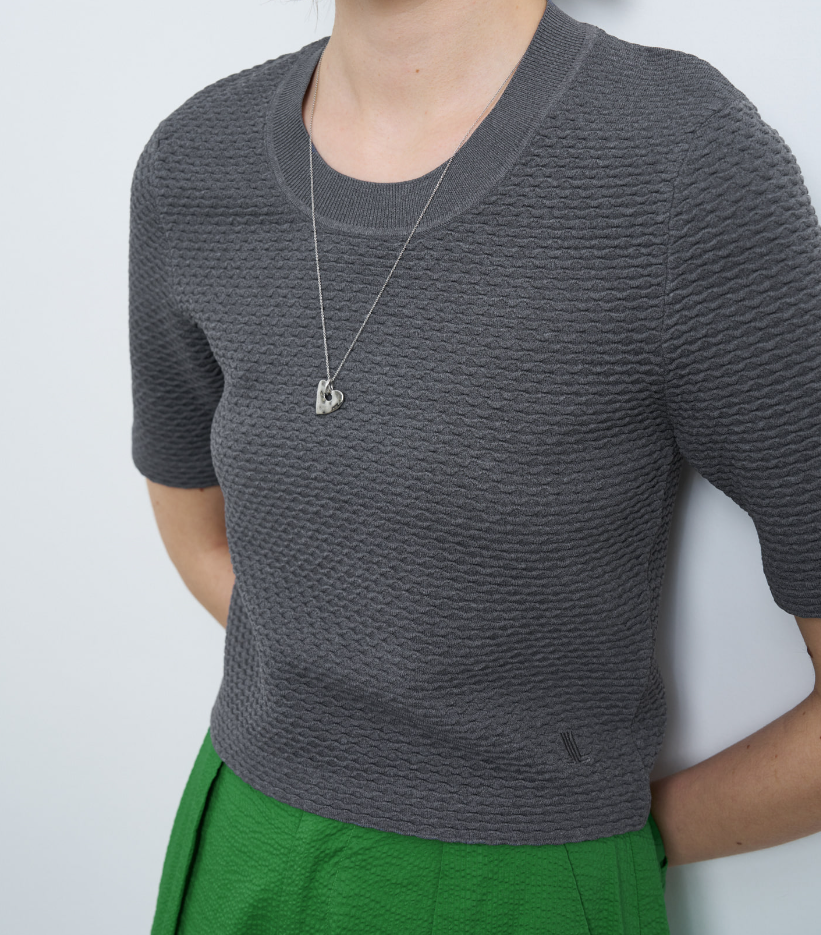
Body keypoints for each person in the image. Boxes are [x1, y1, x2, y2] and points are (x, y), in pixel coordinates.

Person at [128, 0, 821, 931]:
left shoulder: (679, 162)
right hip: (242, 845)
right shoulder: (193, 162)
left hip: (524, 883)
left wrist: (607, 845)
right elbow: (196, 531)